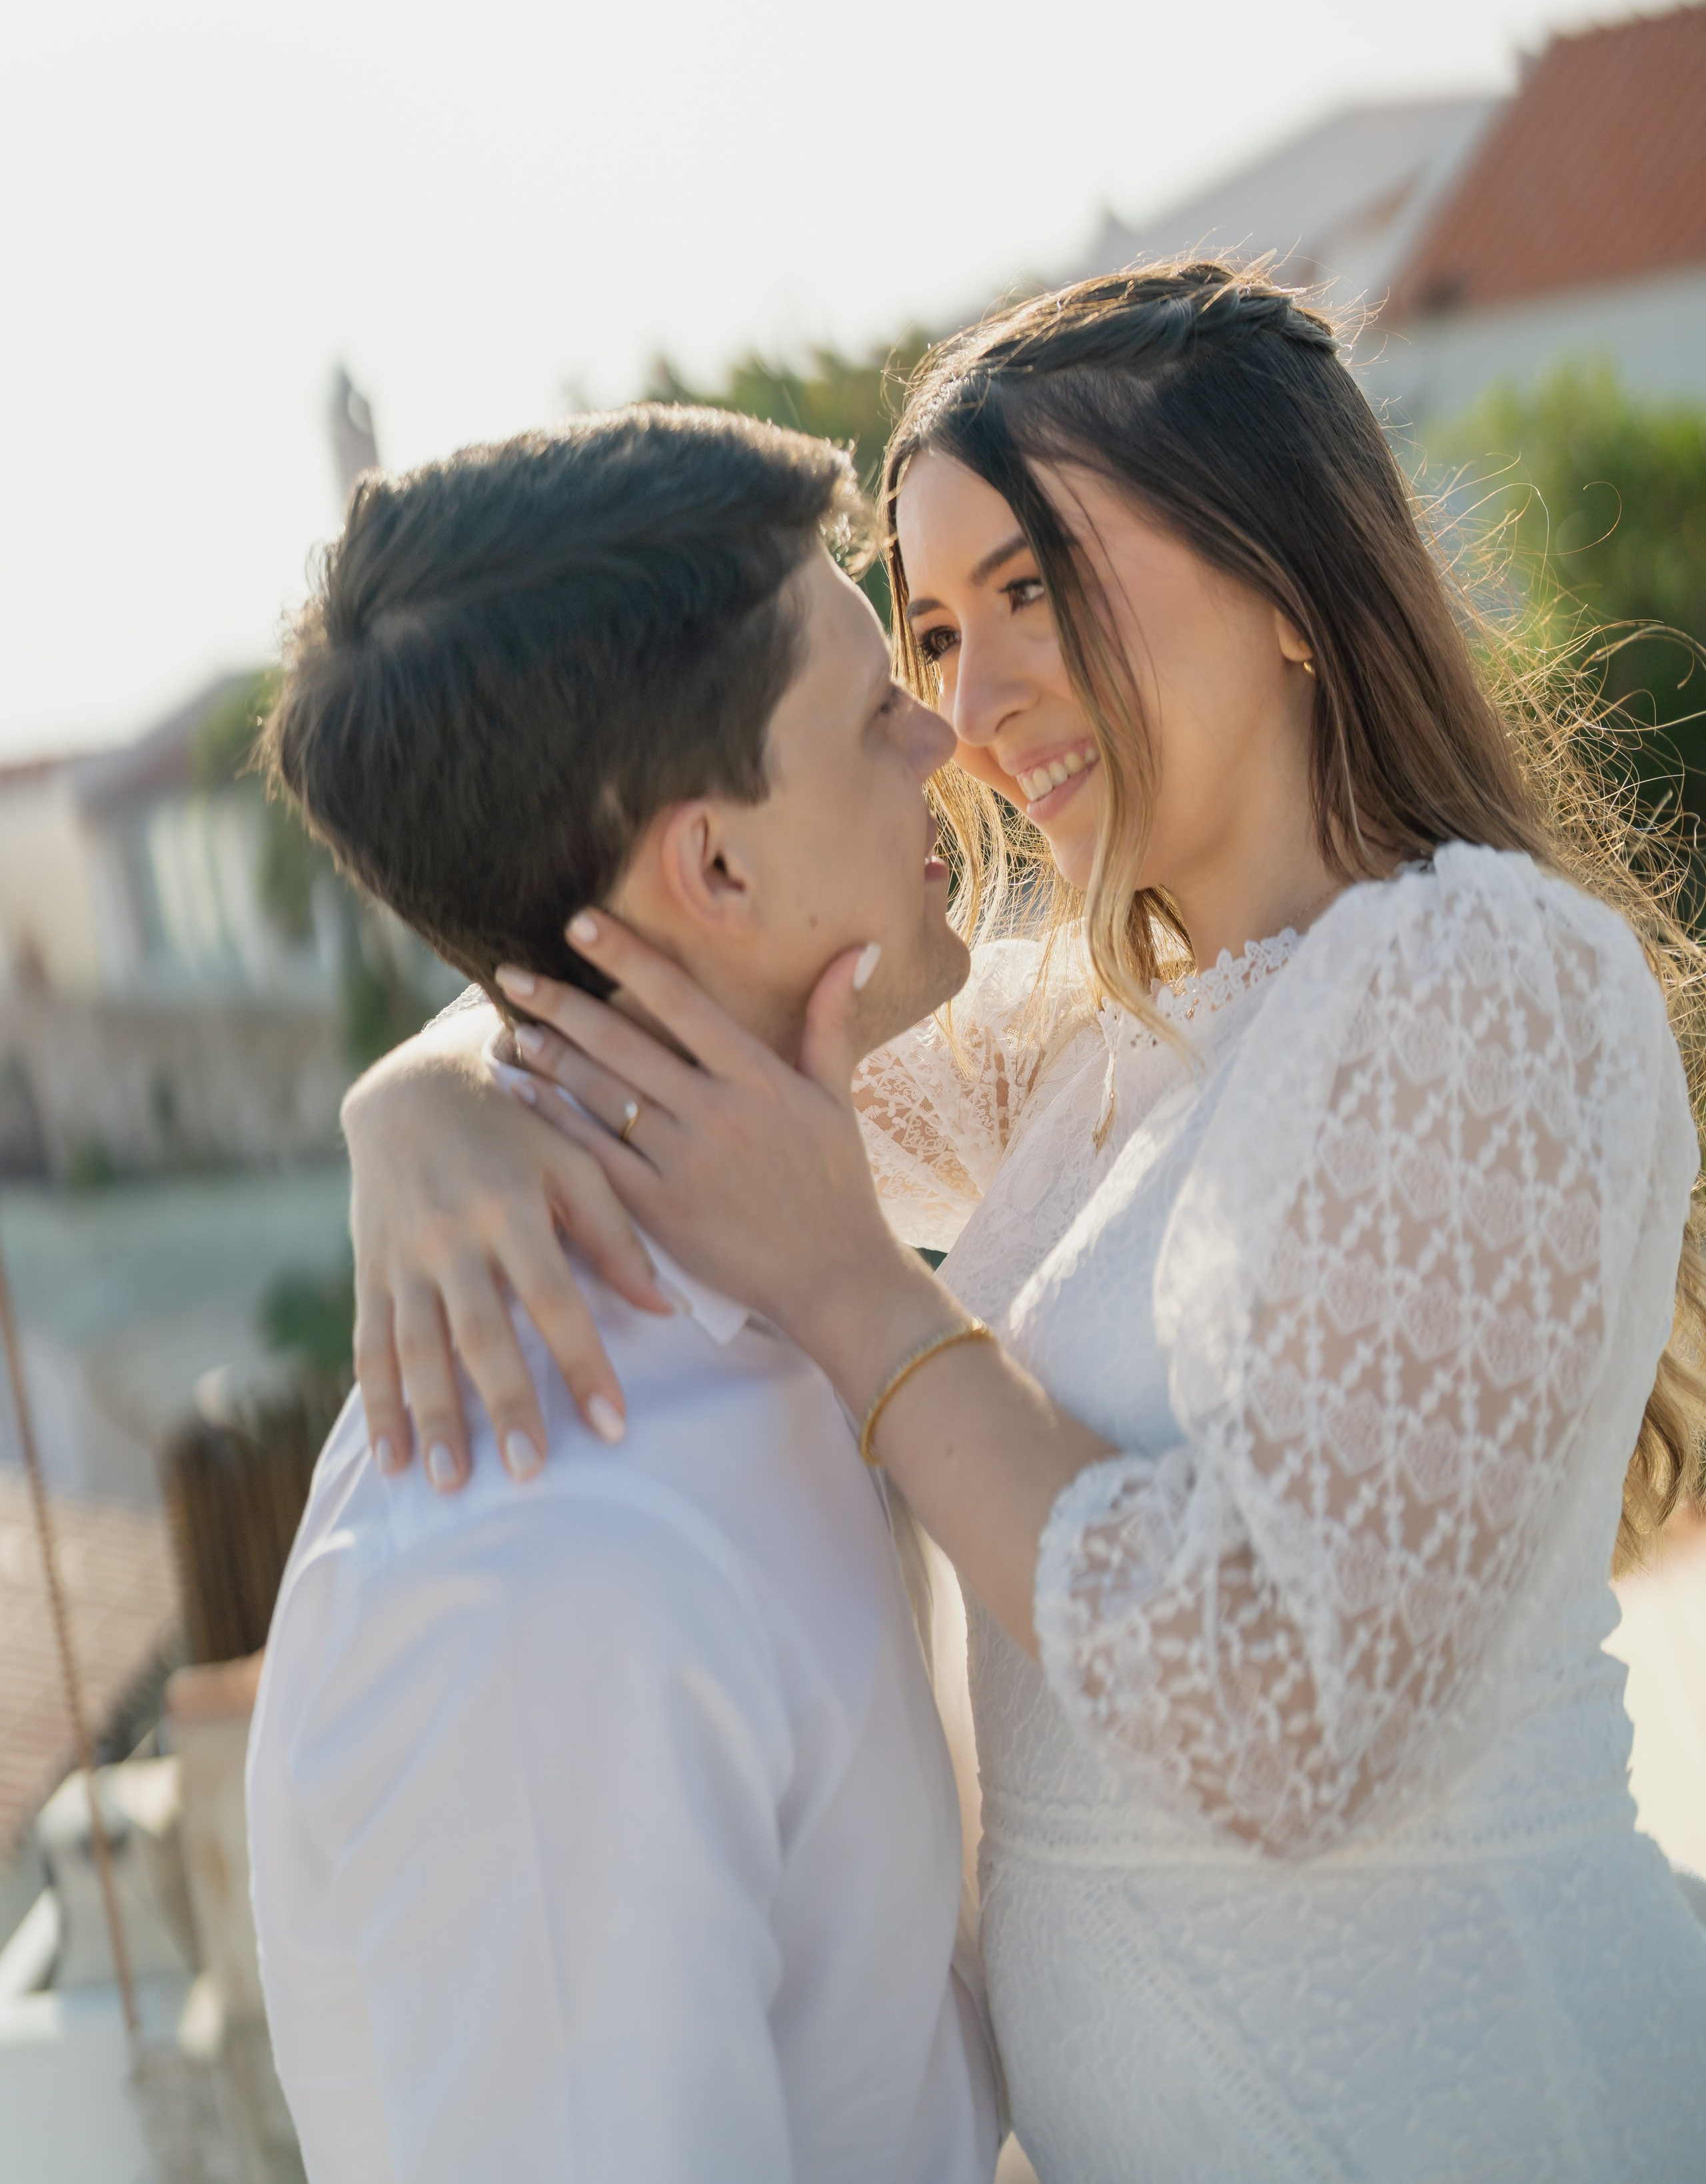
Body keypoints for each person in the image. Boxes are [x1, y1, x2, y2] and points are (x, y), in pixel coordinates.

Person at [341, 266, 1706, 2181]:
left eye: (1031, 591)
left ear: (1293, 571)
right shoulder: (1084, 1046)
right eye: (925, 630)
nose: (970, 710)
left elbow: (1296, 1718)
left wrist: (849, 1296)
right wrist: (411, 1112)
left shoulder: (1487, 977)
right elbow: (684, 1003)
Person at [244, 407, 1003, 2184]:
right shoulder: (545, 1577)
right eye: (877, 704)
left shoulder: (754, 1261)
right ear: (715, 871)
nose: (946, 740)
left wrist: (416, 1088)